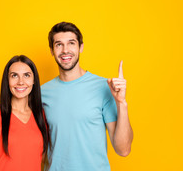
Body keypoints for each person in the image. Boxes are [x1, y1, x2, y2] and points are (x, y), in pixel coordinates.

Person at [41, 22, 133, 171]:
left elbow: (123, 150)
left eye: (71, 43)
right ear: (52, 50)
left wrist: (121, 102)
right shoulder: (41, 93)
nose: (65, 50)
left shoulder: (104, 87)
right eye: (59, 45)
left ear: (81, 47)